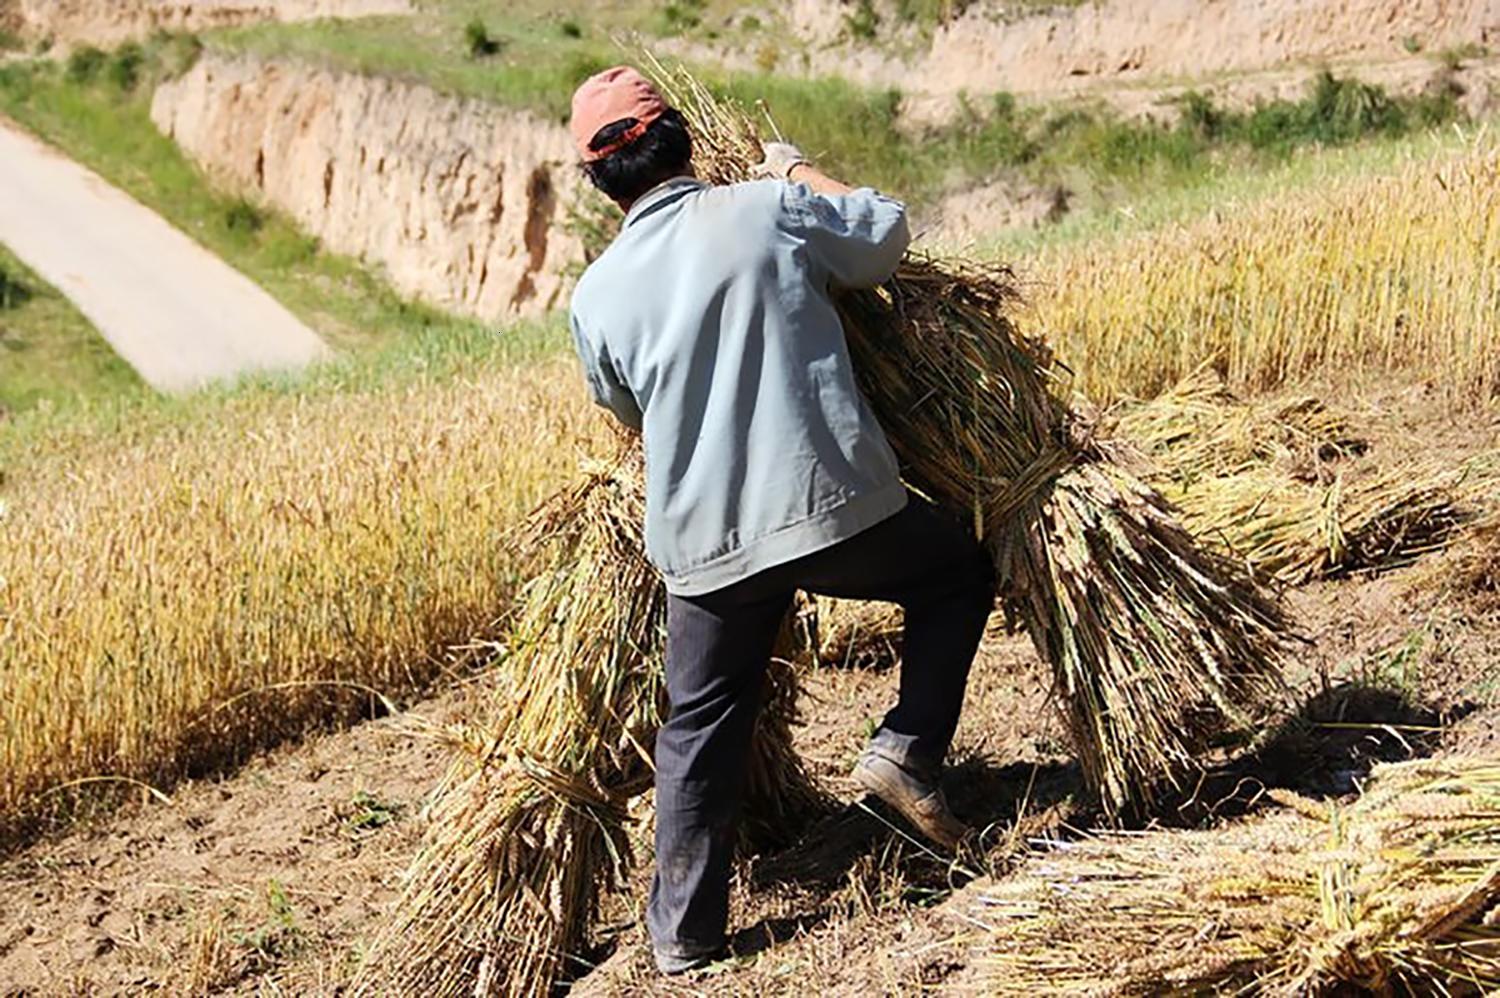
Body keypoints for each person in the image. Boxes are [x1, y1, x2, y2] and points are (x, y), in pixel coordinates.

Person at [567, 65, 995, 976]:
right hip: (829, 509)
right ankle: (907, 752)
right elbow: (885, 234)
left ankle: (684, 936)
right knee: (958, 571)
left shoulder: (594, 297)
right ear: (678, 137)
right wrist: (797, 171)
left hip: (704, 541)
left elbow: (626, 408)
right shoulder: (766, 208)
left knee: (700, 723)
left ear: (600, 180)